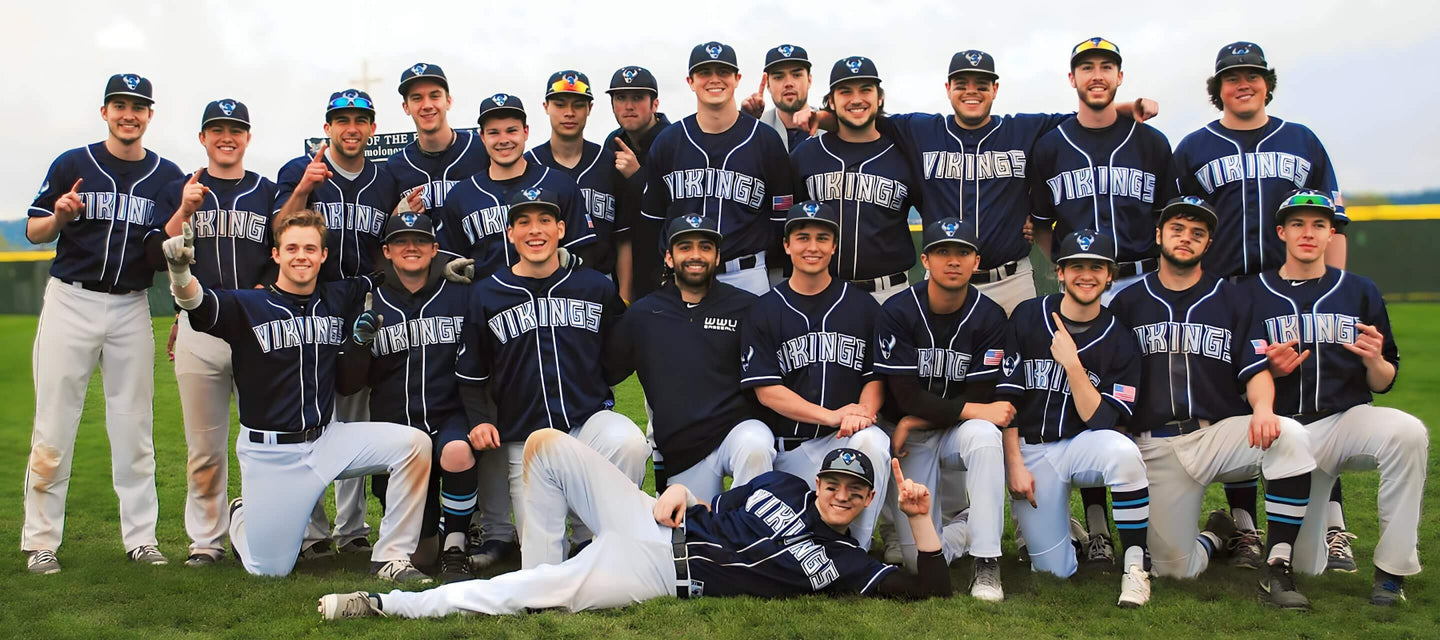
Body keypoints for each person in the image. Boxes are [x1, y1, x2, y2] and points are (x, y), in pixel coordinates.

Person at [317, 439, 949, 618]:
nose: (840, 496)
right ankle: (543, 562)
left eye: (854, 492)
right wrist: (680, 489)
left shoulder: (847, 562)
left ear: (868, 501)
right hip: (656, 523)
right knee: (546, 448)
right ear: (818, 484)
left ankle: (384, 604)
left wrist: (920, 522)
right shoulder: (780, 486)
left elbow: (931, 594)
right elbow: (712, 510)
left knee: (513, 595)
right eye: (833, 484)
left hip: (658, 573)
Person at [161, 208, 433, 582]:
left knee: (414, 444)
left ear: (323, 255)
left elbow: (395, 272)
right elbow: (198, 304)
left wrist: (441, 272)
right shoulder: (247, 305)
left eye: (310, 248)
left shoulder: (339, 296)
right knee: (269, 569)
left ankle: (391, 557)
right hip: (271, 454)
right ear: (276, 255)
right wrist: (179, 272)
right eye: (291, 248)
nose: (300, 255)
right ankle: (241, 514)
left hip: (327, 439)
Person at [1170, 42, 1352, 569]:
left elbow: (1331, 221)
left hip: (1292, 289)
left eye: (1251, 75)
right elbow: (1180, 224)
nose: (1241, 84)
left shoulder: (1302, 140)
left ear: (1266, 82)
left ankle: (1333, 526)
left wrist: (1333, 286)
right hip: (1225, 291)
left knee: (1311, 402)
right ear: (1218, 88)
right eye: (1231, 77)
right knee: (1239, 403)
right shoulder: (1194, 147)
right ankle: (1246, 527)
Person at [800, 50, 1158, 314]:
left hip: (1010, 281)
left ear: (995, 89)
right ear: (948, 88)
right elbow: (862, 118)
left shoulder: (1024, 128)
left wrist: (1129, 108)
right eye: (962, 84)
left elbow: (1084, 119)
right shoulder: (920, 129)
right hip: (942, 282)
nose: (972, 91)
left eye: (981, 84)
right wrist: (819, 117)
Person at [1109, 196, 1318, 609]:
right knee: (1175, 570)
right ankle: (1217, 533)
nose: (1186, 238)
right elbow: (1115, 375)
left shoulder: (1233, 298)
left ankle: (1278, 565)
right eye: (1177, 230)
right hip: (1156, 444)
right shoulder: (1128, 302)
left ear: (1208, 245)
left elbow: (1255, 367)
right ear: (1159, 236)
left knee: (1288, 435)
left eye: (1197, 234)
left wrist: (1262, 409)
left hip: (1216, 434)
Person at [22, 73, 184, 574]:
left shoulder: (167, 175)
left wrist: (185, 213)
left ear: (149, 115)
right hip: (71, 300)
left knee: (134, 426)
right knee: (53, 423)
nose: (128, 114)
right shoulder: (73, 163)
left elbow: (164, 253)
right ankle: (41, 541)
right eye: (120, 104)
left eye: (138, 106)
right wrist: (60, 217)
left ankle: (141, 537)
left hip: (131, 305)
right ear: (105, 111)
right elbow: (33, 231)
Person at [1241, 189, 1427, 606]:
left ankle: (1391, 572)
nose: (1308, 233)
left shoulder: (1359, 291)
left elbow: (1383, 380)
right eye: (1299, 224)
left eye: (1319, 225)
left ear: (1331, 235)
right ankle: (1257, 542)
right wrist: (1271, 369)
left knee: (1408, 433)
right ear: (1281, 232)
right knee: (1308, 565)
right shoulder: (1252, 293)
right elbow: (1242, 372)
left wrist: (1376, 359)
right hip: (1288, 433)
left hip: (1346, 420)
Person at [456, 188, 648, 567]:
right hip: (525, 441)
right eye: (524, 222)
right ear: (510, 233)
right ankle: (572, 549)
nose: (535, 230)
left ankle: (600, 539)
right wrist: (479, 420)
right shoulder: (487, 294)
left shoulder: (594, 286)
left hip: (586, 423)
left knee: (628, 441)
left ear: (561, 229)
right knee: (542, 568)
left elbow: (618, 354)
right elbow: (471, 370)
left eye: (545, 221)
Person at [275, 88, 402, 559]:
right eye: (342, 119)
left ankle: (352, 529)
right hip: (311, 299)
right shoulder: (298, 170)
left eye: (361, 120)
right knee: (307, 409)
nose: (352, 128)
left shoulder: (385, 178)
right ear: (327, 126)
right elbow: (278, 232)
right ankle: (311, 533)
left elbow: (389, 237)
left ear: (372, 128)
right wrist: (304, 187)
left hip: (363, 299)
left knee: (355, 412)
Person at [997, 230, 1151, 607]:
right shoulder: (1027, 316)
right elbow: (1007, 398)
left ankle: (1135, 566)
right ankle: (1066, 530)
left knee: (1123, 452)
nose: (1087, 275)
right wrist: (1014, 463)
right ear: (1059, 272)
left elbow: (1101, 421)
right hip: (1032, 453)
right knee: (1053, 572)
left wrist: (1072, 365)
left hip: (1080, 445)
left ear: (1110, 275)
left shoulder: (1121, 339)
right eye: (1076, 266)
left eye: (1096, 267)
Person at [157, 98, 280, 567]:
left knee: (264, 441)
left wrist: (262, 292)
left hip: (254, 327)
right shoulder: (180, 188)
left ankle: (263, 530)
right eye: (217, 129)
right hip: (199, 327)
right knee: (204, 445)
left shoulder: (266, 192)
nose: (226, 137)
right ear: (203, 138)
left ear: (247, 137)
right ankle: (206, 540)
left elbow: (283, 253)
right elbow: (160, 248)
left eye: (236, 129)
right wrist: (184, 211)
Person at [334, 211, 478, 583]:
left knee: (458, 452)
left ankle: (457, 546)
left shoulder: (460, 292)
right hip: (396, 431)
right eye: (400, 241)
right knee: (421, 554)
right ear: (387, 251)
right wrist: (359, 345)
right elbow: (349, 384)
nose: (410, 247)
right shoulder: (370, 301)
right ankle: (437, 535)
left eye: (419, 241)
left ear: (435, 249)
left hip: (449, 416)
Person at [873, 216, 1012, 601]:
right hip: (916, 435)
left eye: (962, 253)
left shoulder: (989, 316)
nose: (953, 261)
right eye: (942, 252)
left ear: (976, 262)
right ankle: (969, 526)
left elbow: (982, 397)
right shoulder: (898, 311)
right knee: (919, 560)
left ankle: (986, 562)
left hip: (953, 431)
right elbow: (905, 396)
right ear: (926, 260)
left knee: (985, 436)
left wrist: (914, 418)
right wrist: (913, 418)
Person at [740, 201, 890, 549]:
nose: (813, 247)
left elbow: (874, 376)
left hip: (840, 444)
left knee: (874, 440)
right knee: (782, 548)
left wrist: (863, 414)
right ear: (786, 245)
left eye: (823, 238)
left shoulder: (863, 306)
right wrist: (834, 415)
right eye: (802, 237)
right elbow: (766, 390)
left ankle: (857, 549)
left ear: (834, 246)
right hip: (787, 454)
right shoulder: (763, 309)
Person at [611, 214, 774, 504]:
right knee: (698, 540)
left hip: (737, 433)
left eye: (705, 247)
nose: (696, 255)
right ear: (669, 258)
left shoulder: (747, 306)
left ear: (717, 256)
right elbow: (606, 371)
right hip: (684, 448)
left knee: (756, 444)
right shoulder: (644, 314)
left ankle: (753, 537)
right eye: (685, 247)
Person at [640, 41, 796, 295]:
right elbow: (652, 223)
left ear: (737, 79)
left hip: (746, 274)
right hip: (681, 277)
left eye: (723, 72)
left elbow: (782, 221)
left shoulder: (765, 140)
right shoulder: (669, 141)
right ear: (690, 81)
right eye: (704, 73)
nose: (714, 80)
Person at [1030, 37, 1173, 301]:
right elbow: (1040, 224)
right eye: (1087, 68)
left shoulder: (1152, 142)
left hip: (1144, 279)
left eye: (1106, 67)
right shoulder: (1050, 146)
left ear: (1119, 77)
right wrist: (1064, 263)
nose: (1097, 76)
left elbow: (1167, 218)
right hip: (1079, 284)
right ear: (1072, 78)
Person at [790, 56, 918, 303]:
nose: (857, 99)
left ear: (879, 97)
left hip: (889, 292)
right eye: (845, 91)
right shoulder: (806, 154)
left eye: (866, 90)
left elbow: (937, 208)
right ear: (831, 102)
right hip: (822, 290)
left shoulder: (904, 154)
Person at [431, 93, 596, 280]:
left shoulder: (559, 183)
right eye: (494, 132)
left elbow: (584, 250)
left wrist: (570, 262)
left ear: (526, 132)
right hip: (485, 303)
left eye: (511, 130)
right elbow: (447, 254)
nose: (503, 140)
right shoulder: (461, 195)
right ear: (482, 136)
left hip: (549, 299)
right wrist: (446, 267)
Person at [526, 70, 632, 279]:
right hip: (542, 283)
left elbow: (623, 239)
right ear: (546, 107)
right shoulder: (529, 164)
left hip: (602, 279)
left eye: (578, 105)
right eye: (560, 104)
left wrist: (625, 298)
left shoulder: (609, 162)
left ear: (589, 108)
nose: (569, 112)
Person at [604, 65, 671, 303]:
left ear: (655, 104)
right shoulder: (612, 143)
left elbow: (678, 205)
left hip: (666, 263)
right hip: (624, 264)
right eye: (621, 98)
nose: (628, 106)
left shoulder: (673, 140)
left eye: (637, 97)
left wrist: (638, 176)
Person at [386, 62, 490, 214]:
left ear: (448, 101)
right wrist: (397, 217)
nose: (427, 105)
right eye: (417, 98)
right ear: (406, 107)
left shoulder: (481, 149)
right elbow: (382, 234)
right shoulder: (396, 166)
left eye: (435, 96)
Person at [743, 43, 815, 152]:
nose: (788, 83)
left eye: (796, 75)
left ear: (809, 80)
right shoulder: (758, 126)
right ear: (768, 84)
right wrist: (744, 122)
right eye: (778, 77)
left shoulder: (828, 127)